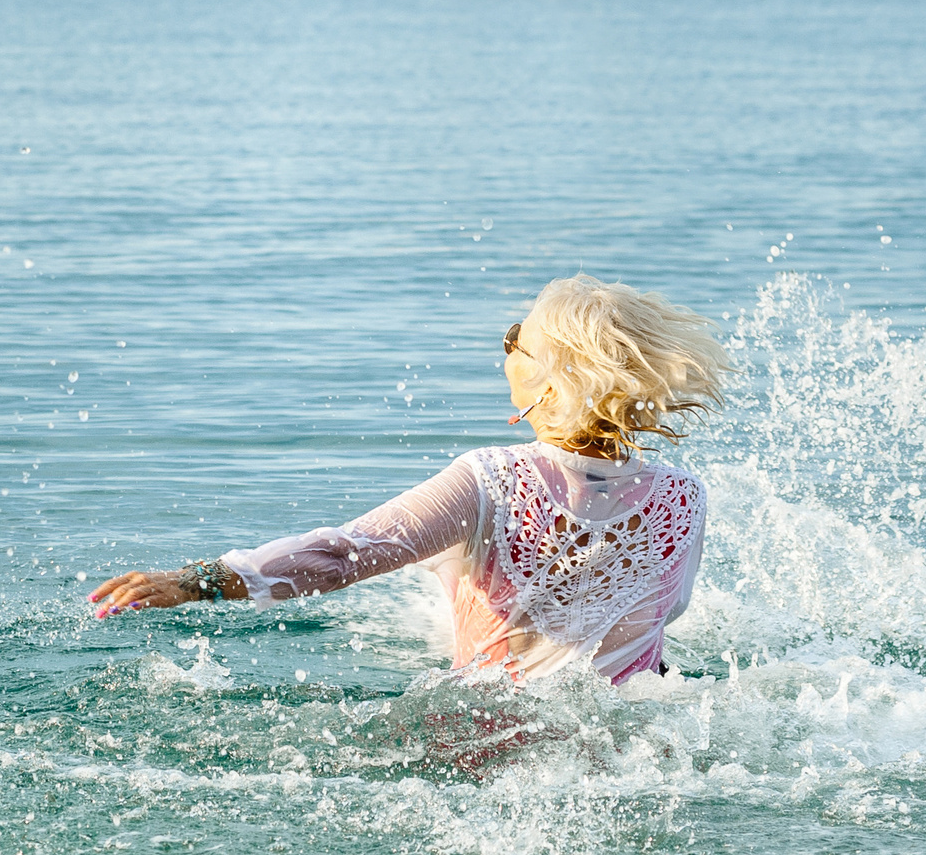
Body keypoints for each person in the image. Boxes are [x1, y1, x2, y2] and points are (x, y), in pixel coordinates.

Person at [86, 275, 729, 684]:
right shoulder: (684, 499)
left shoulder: (491, 482)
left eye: (518, 341)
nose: (507, 346)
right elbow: (660, 617)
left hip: (498, 741)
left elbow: (341, 556)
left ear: (552, 386)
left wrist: (197, 580)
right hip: (636, 743)